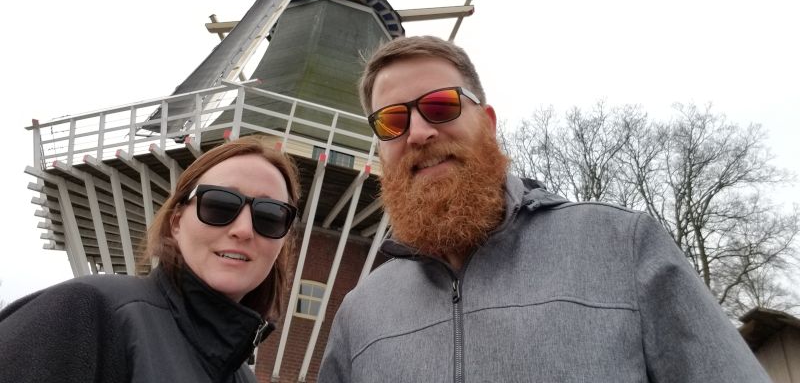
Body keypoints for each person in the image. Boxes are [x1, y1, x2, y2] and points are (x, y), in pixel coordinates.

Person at [318, 35, 769, 383]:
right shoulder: (360, 314)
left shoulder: (622, 248)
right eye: (392, 121)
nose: (417, 132)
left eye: (441, 106)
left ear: (488, 124)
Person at [0, 135, 300, 383]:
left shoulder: (242, 377)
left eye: (271, 216)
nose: (244, 230)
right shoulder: (88, 314)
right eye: (219, 204)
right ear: (176, 222)